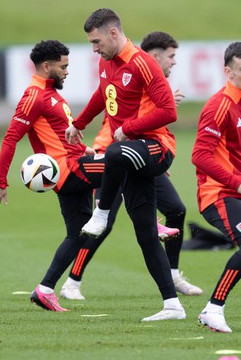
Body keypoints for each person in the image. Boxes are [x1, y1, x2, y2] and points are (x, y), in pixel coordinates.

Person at [61, 31, 202, 300]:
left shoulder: (144, 76)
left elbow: (156, 117)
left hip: (138, 152)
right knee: (106, 221)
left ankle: (171, 280)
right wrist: (80, 124)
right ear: (155, 57)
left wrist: (152, 159)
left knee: (175, 210)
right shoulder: (131, 70)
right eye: (171, 57)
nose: (174, 62)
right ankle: (72, 280)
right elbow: (112, 107)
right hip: (112, 155)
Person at [0, 39, 108, 312]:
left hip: (74, 163)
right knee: (127, 166)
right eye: (63, 66)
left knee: (77, 236)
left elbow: (56, 135)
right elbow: (10, 139)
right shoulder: (34, 96)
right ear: (46, 66)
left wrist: (85, 148)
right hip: (68, 169)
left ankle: (44, 289)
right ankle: (149, 224)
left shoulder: (52, 93)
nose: (67, 71)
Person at [192, 41, 241, 333]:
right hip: (219, 194)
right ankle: (213, 308)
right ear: (227, 70)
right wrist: (237, 182)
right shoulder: (219, 104)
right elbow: (199, 155)